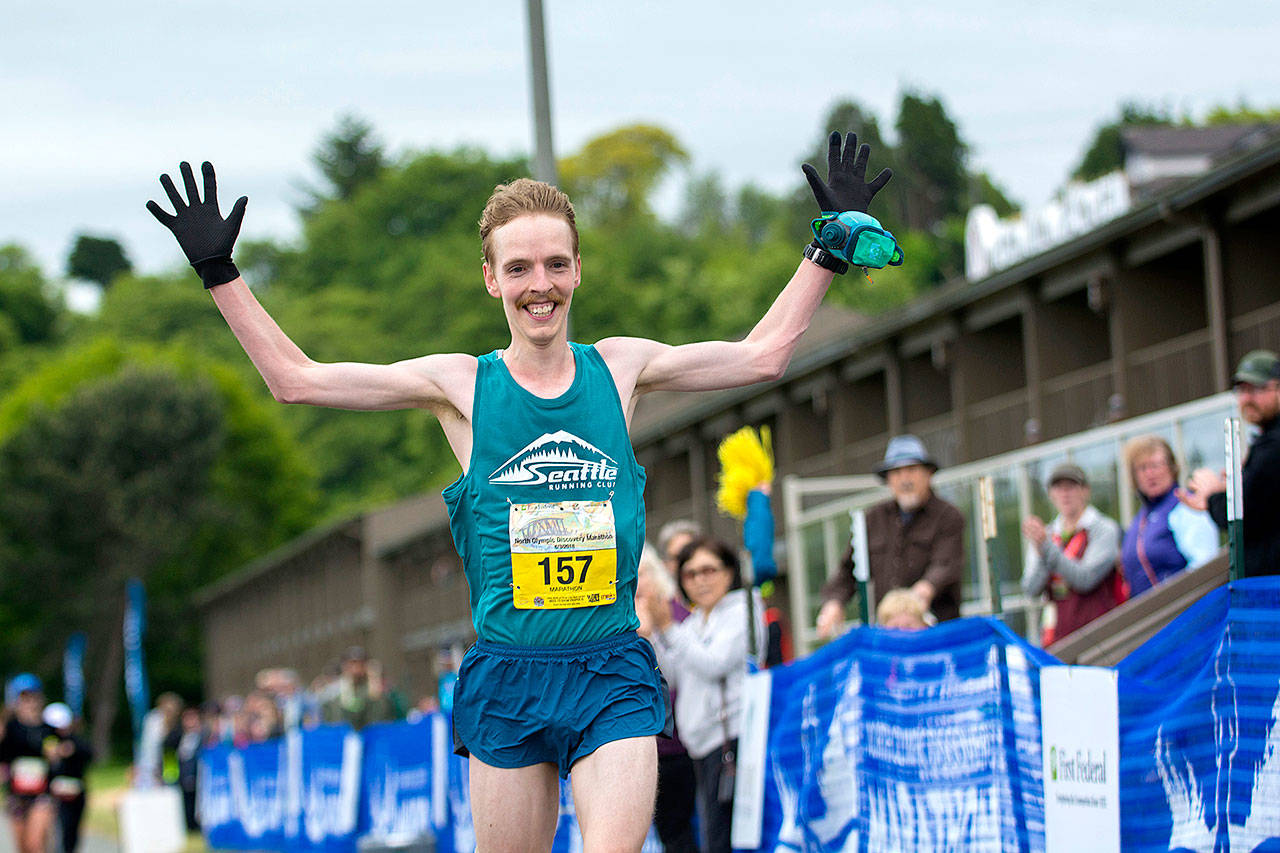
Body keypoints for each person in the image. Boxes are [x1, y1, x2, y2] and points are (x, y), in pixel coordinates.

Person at [146, 130, 891, 851]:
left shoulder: (621, 368)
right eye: (521, 268)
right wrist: (220, 271)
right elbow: (296, 380)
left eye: (557, 264)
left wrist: (824, 252)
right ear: (492, 278)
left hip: (611, 670)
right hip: (508, 675)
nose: (541, 285)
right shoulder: (461, 386)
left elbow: (761, 358)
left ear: (577, 271)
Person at [640, 536, 765, 853]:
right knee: (712, 838)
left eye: (709, 570)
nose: (700, 581)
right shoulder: (696, 621)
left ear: (728, 571)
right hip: (702, 747)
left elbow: (714, 663)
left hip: (732, 742)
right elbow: (673, 674)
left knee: (728, 839)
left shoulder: (743, 609)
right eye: (690, 574)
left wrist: (668, 629)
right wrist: (652, 635)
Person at [815, 434, 965, 638]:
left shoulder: (948, 517)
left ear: (928, 474)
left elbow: (946, 565)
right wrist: (833, 604)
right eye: (896, 473)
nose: (905, 479)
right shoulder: (872, 519)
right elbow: (847, 571)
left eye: (911, 470)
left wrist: (920, 596)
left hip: (936, 634)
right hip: (887, 637)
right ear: (888, 480)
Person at [1181, 350, 1280, 577]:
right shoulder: (1266, 442)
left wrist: (1212, 495)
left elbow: (1243, 516)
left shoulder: (1273, 447)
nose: (1247, 398)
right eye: (1242, 390)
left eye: (1257, 389)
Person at [634, 545, 698, 853]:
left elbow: (677, 677)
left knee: (681, 830)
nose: (636, 581)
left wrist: (653, 635)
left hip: (681, 741)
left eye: (642, 573)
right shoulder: (623, 622)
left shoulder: (677, 615)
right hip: (645, 741)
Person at [1020, 463, 1124, 644]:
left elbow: (1085, 579)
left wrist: (1046, 547)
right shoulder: (1048, 534)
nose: (1065, 493)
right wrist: (1042, 548)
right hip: (1056, 641)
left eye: (1071, 487)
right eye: (1058, 488)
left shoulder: (1104, 529)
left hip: (1099, 640)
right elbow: (1031, 589)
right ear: (1051, 494)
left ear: (1086, 491)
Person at [1121, 435, 1220, 597]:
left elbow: (1205, 566)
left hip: (1181, 613)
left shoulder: (1186, 507)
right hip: (1147, 617)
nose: (1150, 473)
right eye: (1142, 468)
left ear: (1173, 468)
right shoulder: (1139, 519)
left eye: (1156, 465)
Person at [0, 674, 55, 853]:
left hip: (41, 794)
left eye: (33, 697)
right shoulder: (9, 728)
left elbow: (59, 756)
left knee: (35, 844)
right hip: (16, 795)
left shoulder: (48, 729)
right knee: (23, 848)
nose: (29, 702)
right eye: (24, 698)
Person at [43, 703, 93, 853]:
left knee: (71, 832)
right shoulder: (46, 741)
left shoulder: (75, 741)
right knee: (56, 832)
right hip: (54, 795)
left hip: (75, 793)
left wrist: (72, 750)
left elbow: (89, 754)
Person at [320, 646, 395, 730]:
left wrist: (376, 690)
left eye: (359, 664)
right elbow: (331, 720)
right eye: (351, 664)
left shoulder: (375, 690)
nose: (355, 669)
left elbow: (382, 720)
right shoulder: (335, 692)